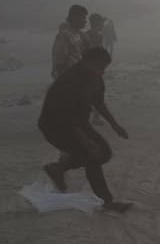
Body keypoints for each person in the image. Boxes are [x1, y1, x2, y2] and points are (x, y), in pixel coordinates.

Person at [38, 47, 132, 213]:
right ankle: (107, 203)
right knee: (92, 157)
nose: (102, 72)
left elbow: (99, 102)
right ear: (87, 62)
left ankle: (58, 168)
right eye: (100, 67)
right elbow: (67, 118)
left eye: (104, 68)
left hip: (78, 123)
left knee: (104, 152)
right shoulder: (70, 81)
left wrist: (114, 125)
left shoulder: (94, 77)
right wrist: (84, 140)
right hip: (55, 126)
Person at [51, 4, 88, 79]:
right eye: (83, 18)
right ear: (74, 18)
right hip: (69, 78)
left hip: (76, 75)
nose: (85, 21)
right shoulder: (64, 35)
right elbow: (59, 62)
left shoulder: (78, 33)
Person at [84, 13, 108, 126]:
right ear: (96, 23)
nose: (103, 24)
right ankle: (94, 117)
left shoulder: (97, 35)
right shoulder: (88, 36)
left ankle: (95, 117)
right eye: (101, 22)